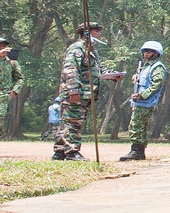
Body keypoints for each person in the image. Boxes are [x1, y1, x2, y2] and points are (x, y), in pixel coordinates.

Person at [53, 22, 123, 161]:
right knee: (73, 122)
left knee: (70, 122)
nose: (99, 33)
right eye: (96, 31)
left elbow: (97, 70)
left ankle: (60, 151)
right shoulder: (77, 48)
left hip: (85, 93)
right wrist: (73, 90)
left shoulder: (91, 51)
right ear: (86, 33)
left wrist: (112, 75)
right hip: (76, 93)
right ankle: (71, 152)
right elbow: (70, 69)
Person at [120, 41, 167, 161]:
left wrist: (142, 95)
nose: (146, 53)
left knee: (137, 125)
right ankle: (138, 150)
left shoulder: (158, 67)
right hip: (139, 101)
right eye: (145, 51)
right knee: (137, 125)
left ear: (156, 53)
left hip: (146, 101)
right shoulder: (145, 67)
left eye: (149, 51)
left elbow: (156, 84)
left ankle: (136, 151)